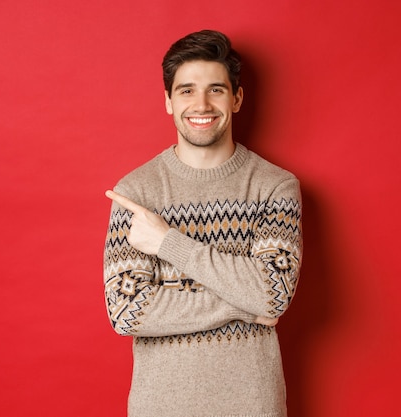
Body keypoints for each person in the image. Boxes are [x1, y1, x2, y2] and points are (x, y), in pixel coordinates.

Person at [103, 29, 302, 417]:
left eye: (216, 89)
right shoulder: (137, 192)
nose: (202, 104)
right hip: (159, 406)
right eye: (186, 90)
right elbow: (127, 311)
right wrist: (244, 306)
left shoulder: (275, 187)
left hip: (252, 405)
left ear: (237, 98)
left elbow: (272, 295)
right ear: (168, 101)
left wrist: (167, 242)